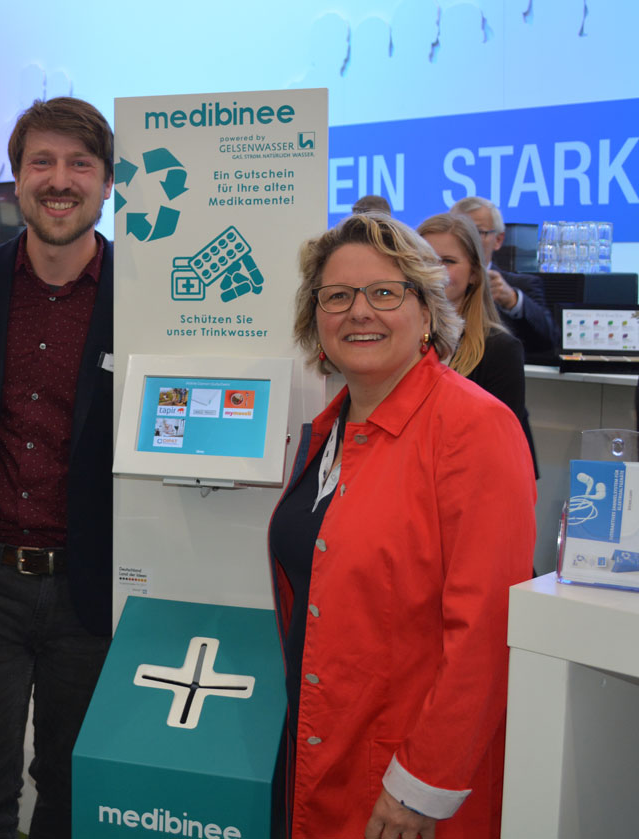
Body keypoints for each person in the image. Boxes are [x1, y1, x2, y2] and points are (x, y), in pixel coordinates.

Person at [268, 213, 535, 838]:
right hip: (319, 751)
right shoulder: (331, 429)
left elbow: (484, 631)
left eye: (385, 293)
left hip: (403, 783)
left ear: (426, 311)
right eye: (337, 297)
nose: (359, 312)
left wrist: (423, 784)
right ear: (316, 318)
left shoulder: (474, 428)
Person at [0, 96, 115, 839]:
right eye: (41, 161)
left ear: (108, 182)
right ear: (16, 178)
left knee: (73, 792)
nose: (59, 179)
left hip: (92, 588)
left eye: (79, 162)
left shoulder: (149, 295)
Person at [418, 212, 538, 474]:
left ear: (474, 273)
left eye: (447, 261)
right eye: (425, 261)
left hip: (473, 485)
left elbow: (499, 448)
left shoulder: (500, 349)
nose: (434, 272)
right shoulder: (399, 342)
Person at [451, 195, 557, 358]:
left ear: (498, 239)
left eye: (477, 232)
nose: (467, 241)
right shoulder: (434, 284)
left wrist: (513, 301)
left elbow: (551, 339)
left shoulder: (521, 285)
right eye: (460, 232)